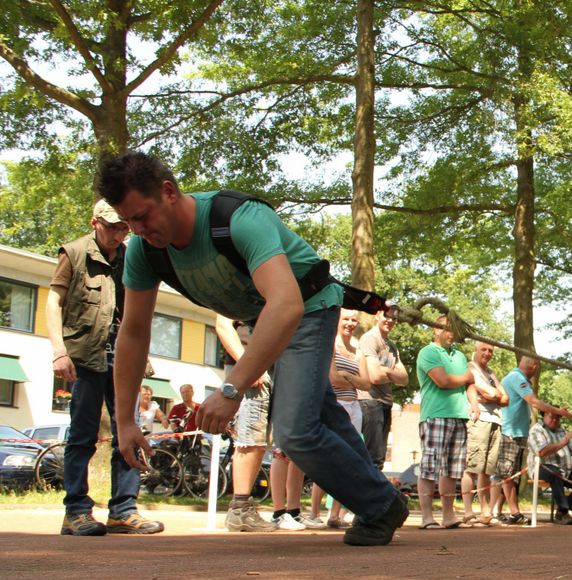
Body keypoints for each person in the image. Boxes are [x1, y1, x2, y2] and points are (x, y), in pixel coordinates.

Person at [101, 151, 407, 546]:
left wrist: (233, 387)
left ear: (168, 192)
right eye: (127, 221)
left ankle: (381, 504)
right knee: (322, 416)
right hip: (264, 321)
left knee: (295, 430)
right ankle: (379, 502)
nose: (137, 229)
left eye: (142, 216)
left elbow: (287, 305)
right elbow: (134, 332)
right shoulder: (144, 251)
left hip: (308, 306)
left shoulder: (238, 218)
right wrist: (125, 420)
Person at [44, 198, 163, 535]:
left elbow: (133, 312)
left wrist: (144, 355)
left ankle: (123, 509)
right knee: (82, 435)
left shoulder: (130, 256)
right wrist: (58, 351)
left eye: (123, 227)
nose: (119, 233)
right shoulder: (74, 253)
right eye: (112, 226)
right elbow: (53, 303)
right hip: (84, 357)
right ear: (94, 222)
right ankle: (76, 511)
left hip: (121, 360)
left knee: (128, 431)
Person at [494, 356, 572, 524]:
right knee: (507, 474)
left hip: (518, 432)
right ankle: (515, 513)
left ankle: (498, 510)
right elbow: (535, 403)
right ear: (534, 366)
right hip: (511, 432)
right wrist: (560, 412)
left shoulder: (519, 379)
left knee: (511, 475)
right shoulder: (517, 378)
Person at [214, 317, 277, 532]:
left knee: (258, 442)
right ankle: (239, 509)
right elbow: (222, 324)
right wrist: (249, 366)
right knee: (249, 440)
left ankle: (242, 507)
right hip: (251, 372)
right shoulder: (234, 288)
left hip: (265, 369)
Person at [312, 308, 371, 528]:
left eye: (354, 320)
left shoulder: (359, 349)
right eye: (346, 319)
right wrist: (351, 378)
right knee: (326, 459)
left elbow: (367, 383)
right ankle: (314, 513)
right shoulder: (330, 343)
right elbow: (333, 378)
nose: (350, 323)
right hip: (333, 404)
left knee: (347, 460)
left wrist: (348, 377)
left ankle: (335, 515)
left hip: (354, 407)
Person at [415, 316, 475, 529]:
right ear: (435, 330)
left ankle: (448, 516)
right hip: (435, 416)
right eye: (446, 329)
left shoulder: (459, 355)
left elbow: (470, 383)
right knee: (430, 466)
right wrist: (467, 377)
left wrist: (474, 403)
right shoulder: (428, 352)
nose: (451, 334)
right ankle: (426, 517)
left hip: (459, 416)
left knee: (452, 469)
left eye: (454, 330)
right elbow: (442, 381)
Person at [462, 341, 508, 525]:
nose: (488, 353)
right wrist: (493, 395)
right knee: (472, 466)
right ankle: (467, 512)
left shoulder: (490, 373)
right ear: (475, 349)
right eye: (484, 349)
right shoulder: (470, 368)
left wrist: (493, 395)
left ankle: (485, 511)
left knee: (487, 471)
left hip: (496, 420)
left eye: (491, 350)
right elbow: (489, 391)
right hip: (479, 420)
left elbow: (505, 398)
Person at [358, 310, 408, 469]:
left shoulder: (391, 346)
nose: (391, 320)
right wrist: (392, 373)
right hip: (370, 401)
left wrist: (385, 370)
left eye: (394, 318)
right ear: (377, 315)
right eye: (387, 316)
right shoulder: (369, 339)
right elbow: (374, 377)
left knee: (378, 459)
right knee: (373, 457)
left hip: (386, 403)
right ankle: (367, 493)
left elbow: (404, 379)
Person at [529, 411, 572, 525]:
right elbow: (542, 451)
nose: (555, 420)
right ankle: (563, 512)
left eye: (558, 418)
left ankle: (561, 511)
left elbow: (569, 450)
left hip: (564, 469)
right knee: (555, 474)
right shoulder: (537, 430)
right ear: (544, 416)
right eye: (552, 417)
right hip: (542, 467)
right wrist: (563, 443)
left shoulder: (561, 430)